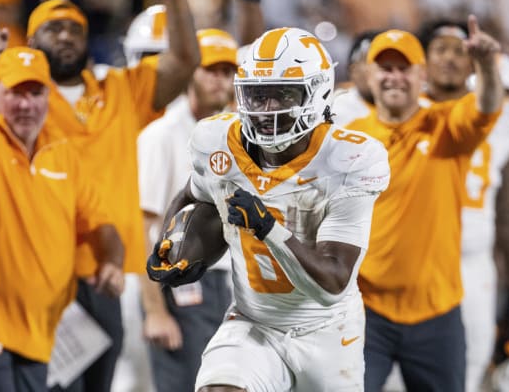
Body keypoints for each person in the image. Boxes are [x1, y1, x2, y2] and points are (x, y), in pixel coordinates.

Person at [147, 26, 390, 391]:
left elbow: (332, 284)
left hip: (326, 329)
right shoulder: (216, 141)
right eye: (257, 96)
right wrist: (171, 245)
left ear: (320, 92)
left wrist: (269, 228)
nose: (267, 110)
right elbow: (193, 196)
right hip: (253, 319)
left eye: (283, 95)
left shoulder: (349, 159)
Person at [25, 0, 199, 390]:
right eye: (54, 28)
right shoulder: (20, 101)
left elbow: (183, 59)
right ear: (31, 44)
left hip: (109, 274)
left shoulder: (120, 90)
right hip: (40, 272)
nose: (66, 36)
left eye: (75, 29)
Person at [344, 17, 504, 391]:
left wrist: (486, 67)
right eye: (386, 68)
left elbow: (487, 106)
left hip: (437, 311)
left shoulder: (446, 125)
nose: (394, 77)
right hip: (367, 310)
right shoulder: (352, 139)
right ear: (369, 74)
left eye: (404, 69)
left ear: (422, 75)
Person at [0, 11, 125, 391]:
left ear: (48, 97)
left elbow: (101, 221)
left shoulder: (64, 156)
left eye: (35, 92)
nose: (25, 105)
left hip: (43, 337)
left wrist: (112, 263)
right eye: (14, 93)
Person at [416, 20, 509, 392]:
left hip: (472, 263)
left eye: (459, 51)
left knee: (470, 367)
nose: (450, 59)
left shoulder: (497, 124)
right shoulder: (404, 113)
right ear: (424, 62)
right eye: (441, 50)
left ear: (473, 65)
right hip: (412, 261)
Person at [137, 27, 239, 391]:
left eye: (228, 72)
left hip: (232, 283)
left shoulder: (237, 136)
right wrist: (155, 311)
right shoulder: (160, 135)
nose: (220, 81)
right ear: (190, 73)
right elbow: (142, 228)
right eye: (211, 70)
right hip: (180, 283)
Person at [331, 30, 379, 126]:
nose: (380, 69)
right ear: (353, 69)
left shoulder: (415, 105)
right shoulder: (335, 112)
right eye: (371, 60)